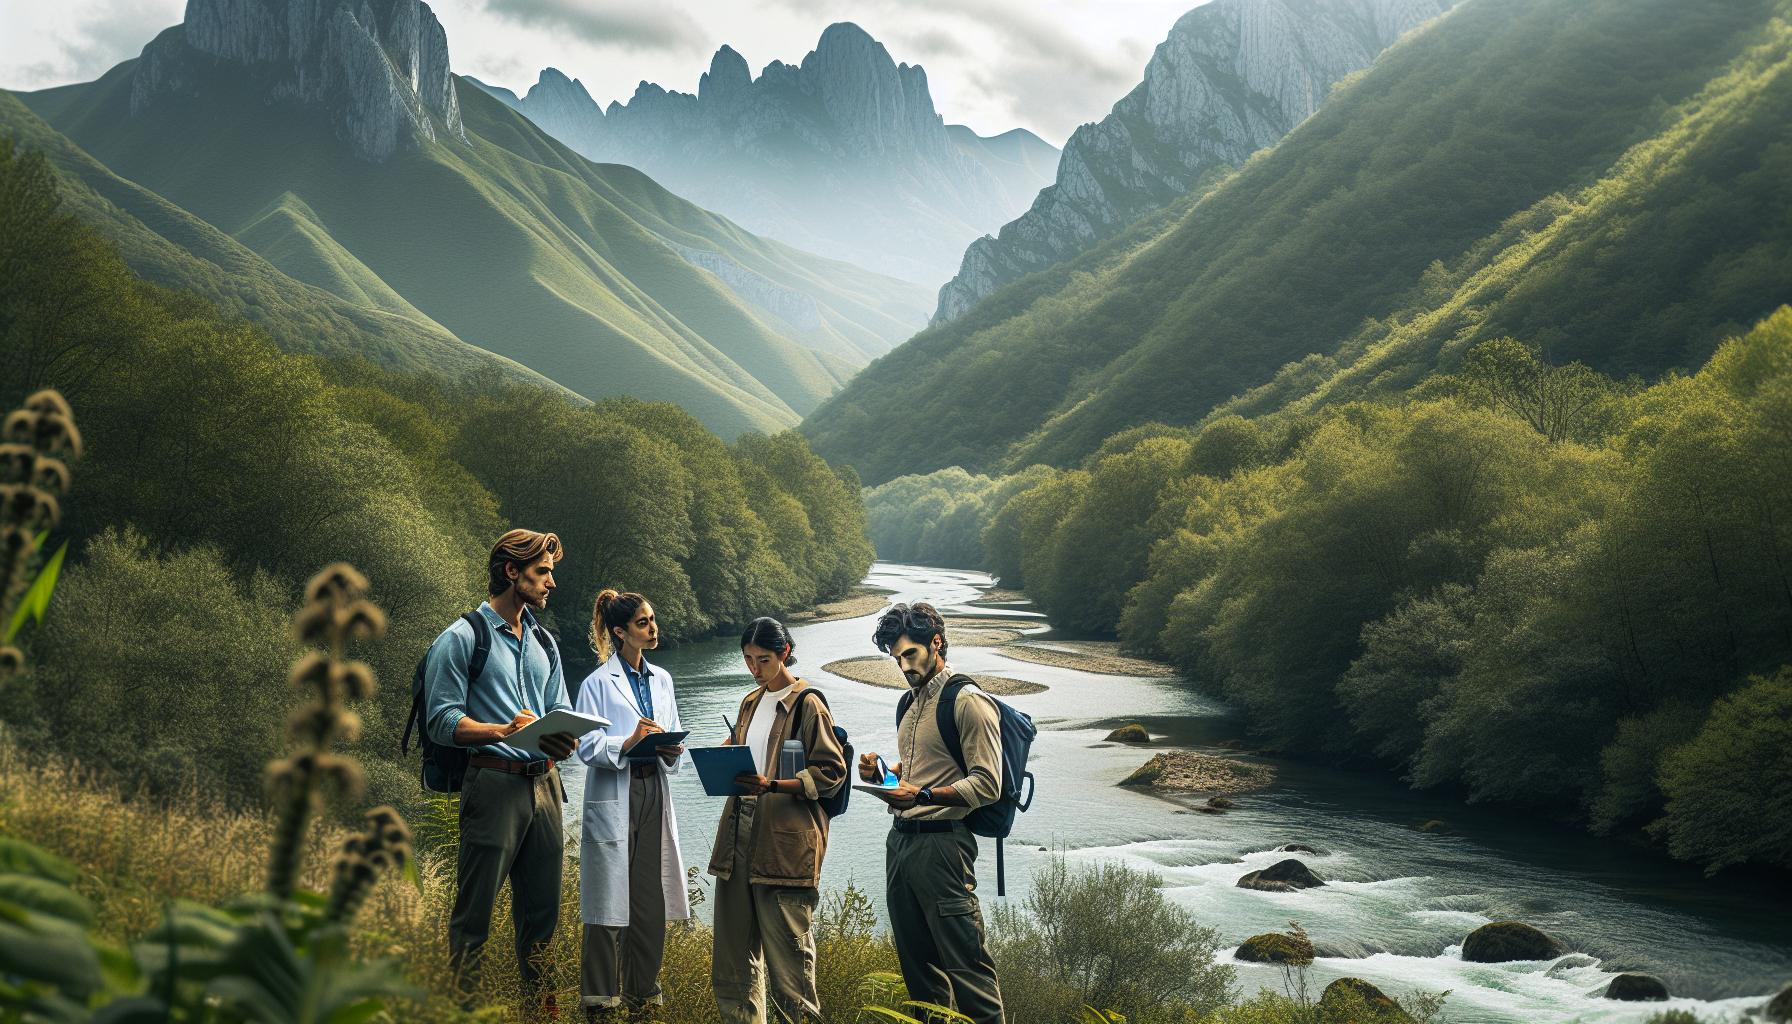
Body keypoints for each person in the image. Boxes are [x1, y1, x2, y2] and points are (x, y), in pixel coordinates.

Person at [423, 529, 578, 1013]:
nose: (551, 583)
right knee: (473, 918)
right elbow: (441, 720)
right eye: (542, 572)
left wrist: (566, 739)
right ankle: (462, 1013)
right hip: (492, 785)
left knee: (542, 919)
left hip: (547, 786)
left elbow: (559, 708)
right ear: (512, 572)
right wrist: (501, 730)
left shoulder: (546, 642)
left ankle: (542, 1016)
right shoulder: (461, 637)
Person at [857, 602, 1006, 1024]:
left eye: (909, 654)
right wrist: (882, 774)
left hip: (944, 848)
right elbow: (916, 773)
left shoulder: (968, 701)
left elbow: (987, 785)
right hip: (901, 844)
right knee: (918, 972)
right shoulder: (908, 703)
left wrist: (921, 795)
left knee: (968, 970)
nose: (903, 665)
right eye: (895, 657)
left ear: (936, 643)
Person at [707, 617, 848, 1024]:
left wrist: (773, 784)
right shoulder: (750, 702)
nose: (754, 668)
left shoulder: (808, 703)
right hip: (736, 843)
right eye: (748, 659)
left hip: (784, 847)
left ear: (784, 653)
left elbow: (831, 771)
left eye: (763, 660)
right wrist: (721, 758)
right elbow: (739, 753)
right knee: (733, 968)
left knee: (791, 975)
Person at [574, 589, 690, 1021]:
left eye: (653, 619)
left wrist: (670, 749)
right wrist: (628, 742)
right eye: (643, 623)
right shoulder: (596, 684)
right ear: (620, 632)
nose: (653, 627)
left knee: (649, 896)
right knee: (606, 901)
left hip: (653, 789)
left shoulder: (662, 679)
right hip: (616, 790)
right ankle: (600, 998)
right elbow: (584, 746)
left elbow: (673, 728)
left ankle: (643, 991)